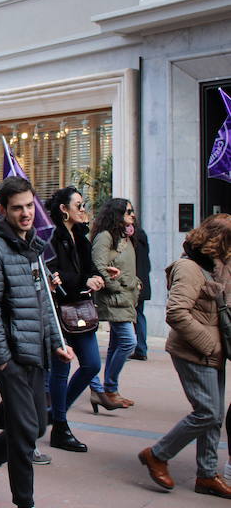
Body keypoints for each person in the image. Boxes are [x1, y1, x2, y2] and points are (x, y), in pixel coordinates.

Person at [0, 177, 75, 508]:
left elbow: (42, 302)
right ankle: (24, 502)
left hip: (36, 350)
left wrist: (56, 340)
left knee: (35, 426)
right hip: (10, 355)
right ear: (3, 210)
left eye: (29, 206)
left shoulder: (33, 245)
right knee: (27, 431)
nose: (26, 213)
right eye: (17, 208)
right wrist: (1, 360)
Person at [139, 214, 231, 499]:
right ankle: (157, 454)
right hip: (195, 352)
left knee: (213, 417)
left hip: (212, 352)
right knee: (207, 413)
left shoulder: (215, 266)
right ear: (219, 242)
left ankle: (206, 474)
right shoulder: (189, 268)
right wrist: (209, 345)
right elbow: (176, 313)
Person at [44, 187, 108, 451]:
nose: (83, 210)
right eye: (79, 205)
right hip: (61, 311)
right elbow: (59, 279)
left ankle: (56, 411)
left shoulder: (81, 236)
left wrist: (98, 276)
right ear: (64, 210)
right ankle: (60, 425)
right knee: (61, 369)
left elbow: (88, 268)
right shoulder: (51, 238)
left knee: (92, 364)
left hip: (82, 309)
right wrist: (85, 281)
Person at [88, 198, 140, 409]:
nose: (132, 214)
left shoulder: (123, 237)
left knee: (116, 344)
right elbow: (98, 265)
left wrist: (137, 283)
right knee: (129, 342)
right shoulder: (105, 236)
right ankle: (106, 388)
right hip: (114, 298)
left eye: (132, 211)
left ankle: (109, 388)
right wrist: (116, 286)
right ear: (116, 214)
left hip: (126, 298)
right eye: (128, 211)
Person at [130, 224, 152, 360]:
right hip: (143, 281)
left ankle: (138, 348)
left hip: (133, 282)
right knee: (139, 315)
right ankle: (141, 348)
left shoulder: (129, 239)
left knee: (132, 315)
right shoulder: (142, 236)